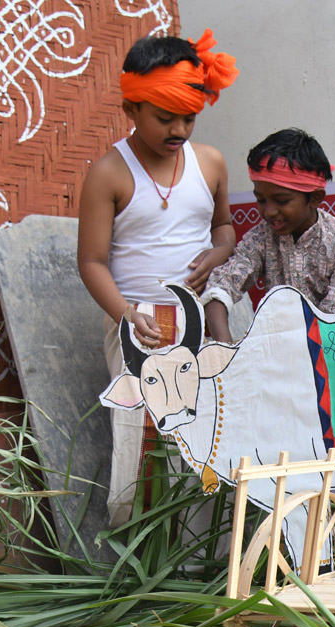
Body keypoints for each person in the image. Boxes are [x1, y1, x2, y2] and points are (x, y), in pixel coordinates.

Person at [77, 31, 238, 525]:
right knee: (144, 438)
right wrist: (125, 314)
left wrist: (219, 251)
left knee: (208, 430)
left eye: (189, 117)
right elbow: (92, 262)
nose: (179, 129)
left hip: (201, 320)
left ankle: (205, 553)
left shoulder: (209, 163)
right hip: (140, 324)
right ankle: (143, 547)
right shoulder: (109, 173)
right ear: (131, 107)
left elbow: (225, 227)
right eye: (165, 117)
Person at [201, 128, 335, 315]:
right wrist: (224, 343)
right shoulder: (261, 238)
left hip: (328, 341)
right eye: (261, 200)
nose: (269, 211)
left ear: (315, 198)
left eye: (282, 201)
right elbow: (223, 285)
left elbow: (334, 319)